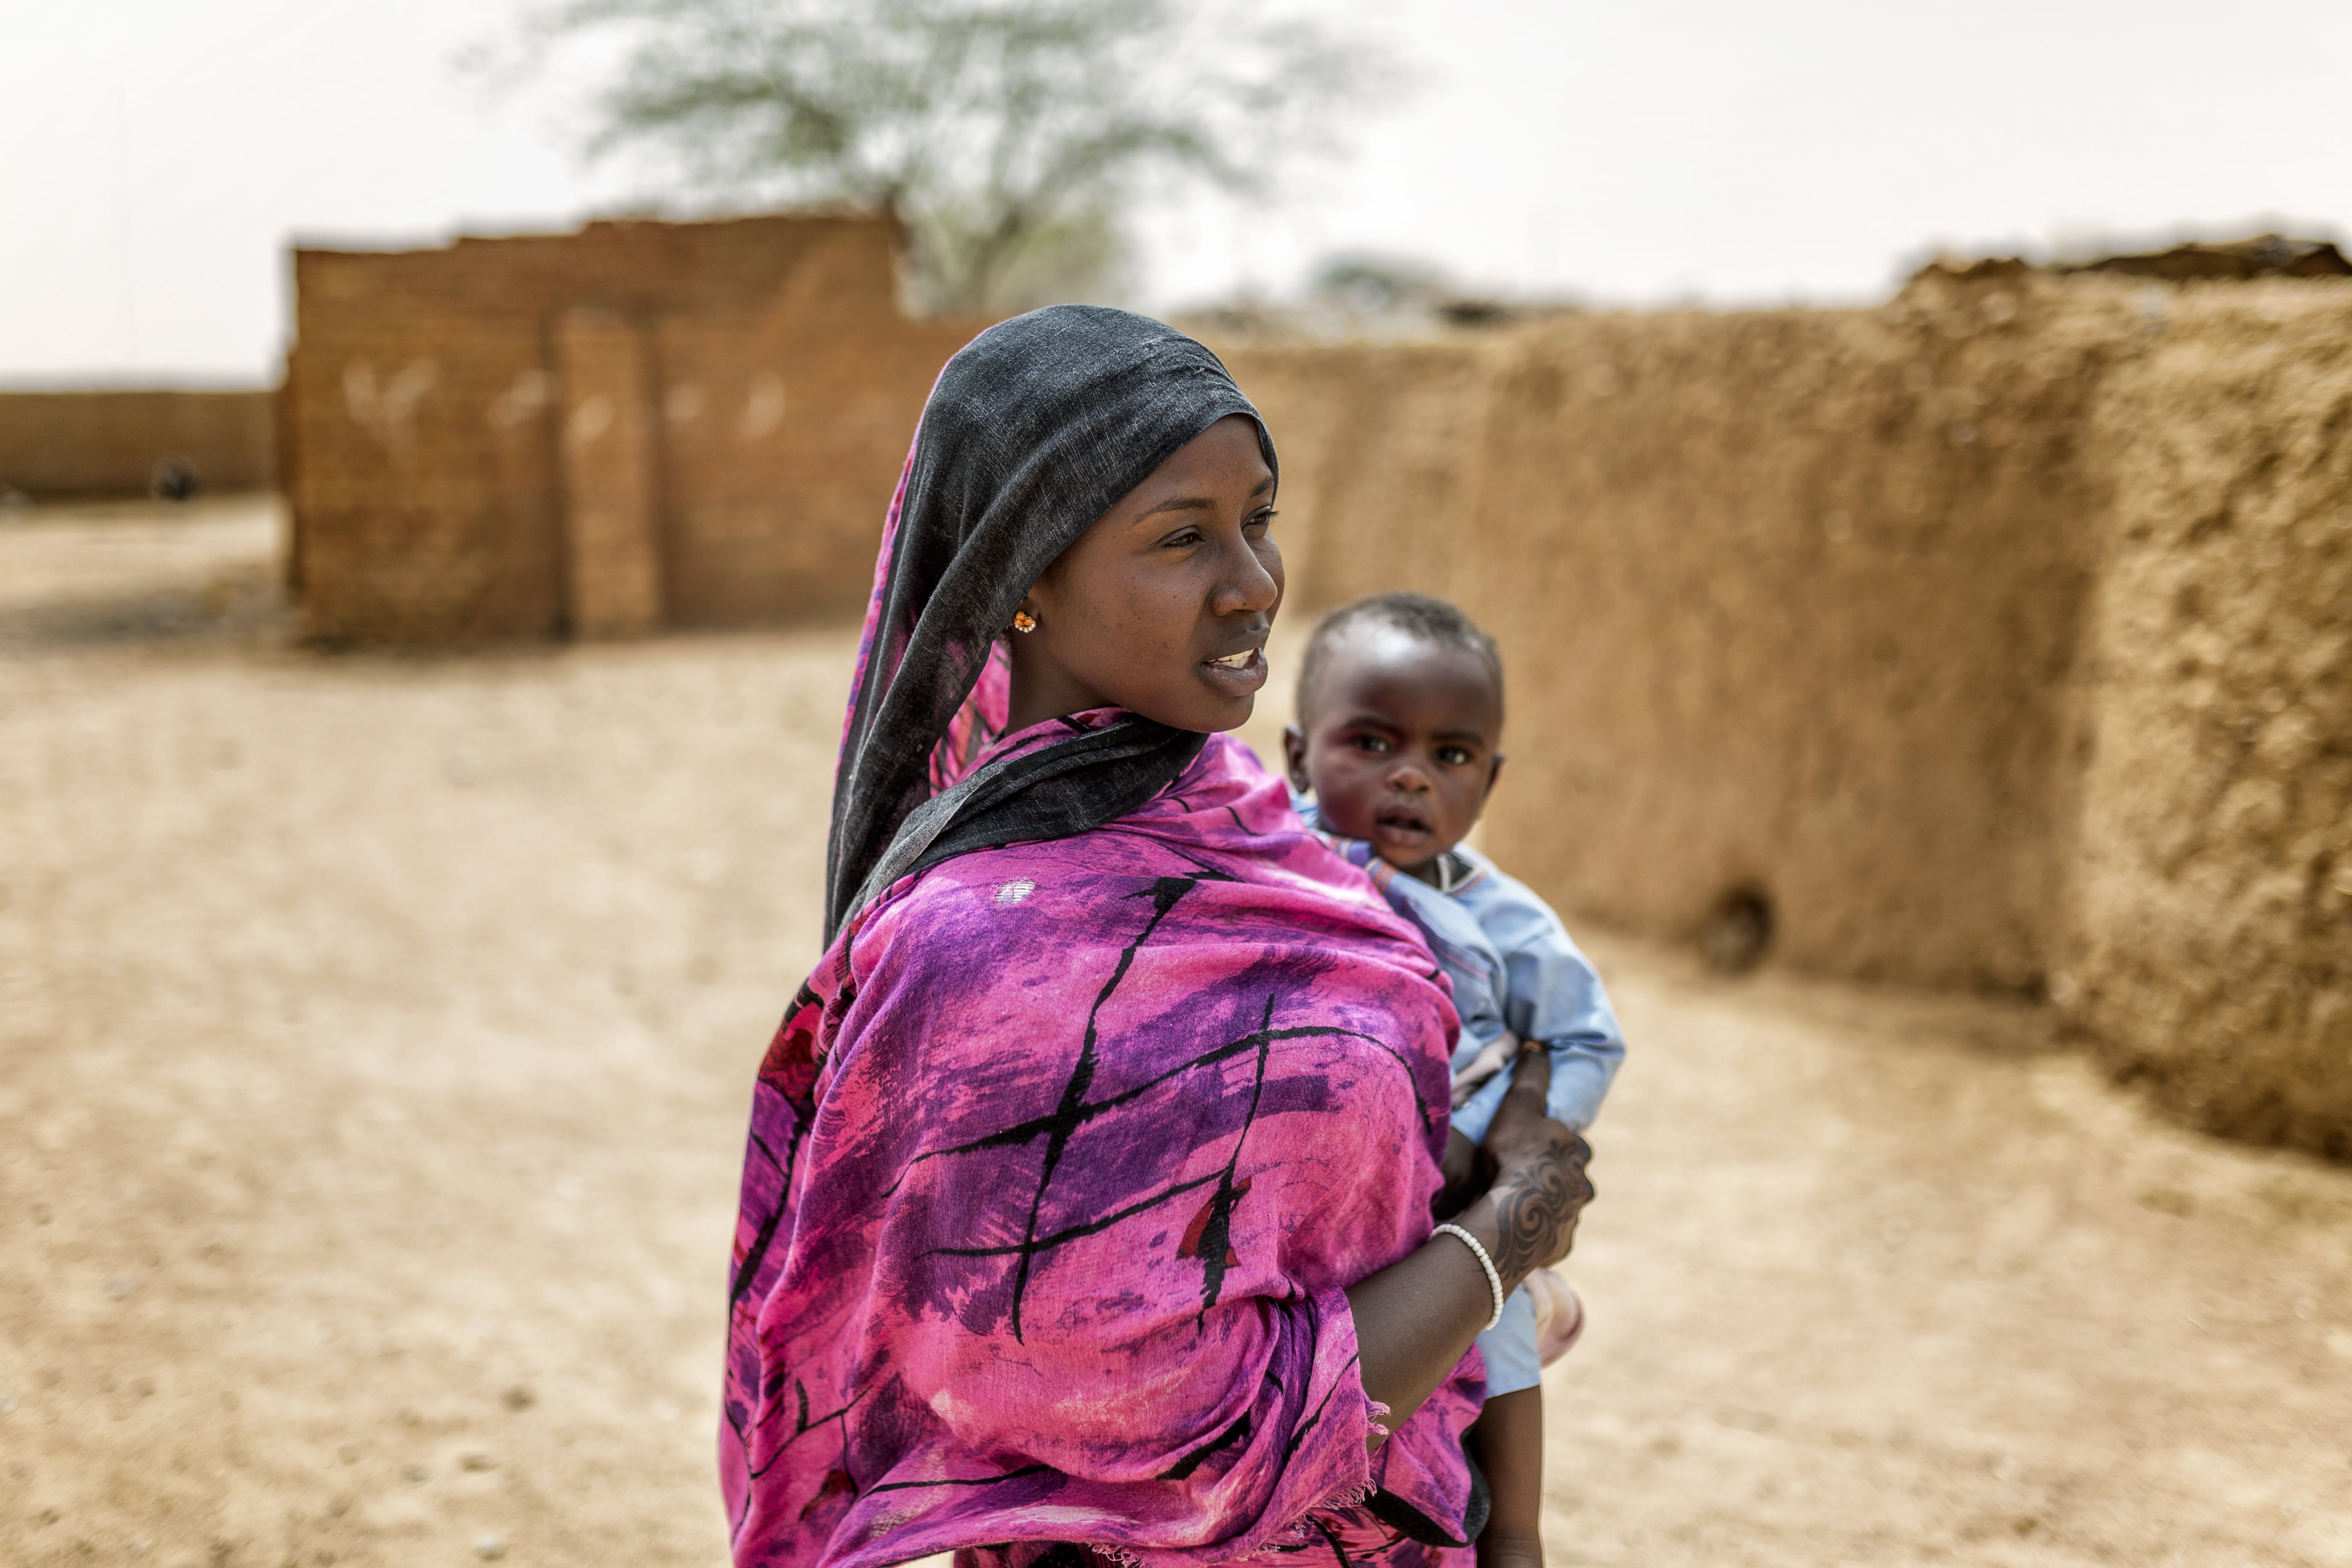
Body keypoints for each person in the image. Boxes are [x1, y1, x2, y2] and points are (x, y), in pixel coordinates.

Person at [720, 306, 1592, 1568]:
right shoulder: (968, 957)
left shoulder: (1267, 829)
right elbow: (1185, 1449)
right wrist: (1507, 1229)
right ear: (1021, 578)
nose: (1253, 582)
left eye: (1260, 517)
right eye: (1182, 537)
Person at [1282, 593, 1626, 1568]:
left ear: (1490, 780)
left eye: (1450, 756)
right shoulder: (1270, 864)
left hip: (1453, 1187)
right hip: (1310, 1172)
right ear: (1299, 755)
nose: (1409, 777)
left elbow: (1585, 1041)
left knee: (1497, 1318)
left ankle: (1512, 1531)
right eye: (1372, 742)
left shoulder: (1505, 920)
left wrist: (1512, 1153)